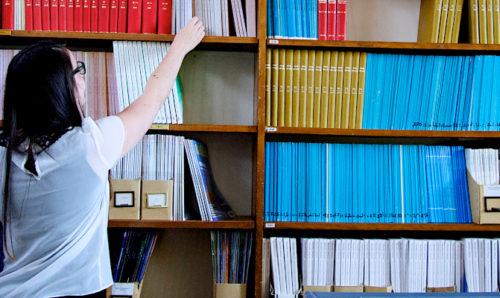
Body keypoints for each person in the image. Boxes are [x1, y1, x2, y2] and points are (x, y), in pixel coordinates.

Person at [0, 18, 205, 298]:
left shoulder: (4, 155)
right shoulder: (91, 144)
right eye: (78, 71)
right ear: (62, 89)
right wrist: (179, 48)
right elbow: (152, 99)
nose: (84, 77)